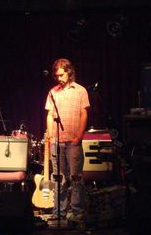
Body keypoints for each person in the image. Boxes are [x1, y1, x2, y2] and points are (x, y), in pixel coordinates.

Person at [45, 58, 90, 224]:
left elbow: (84, 114)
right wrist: (50, 136)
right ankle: (59, 211)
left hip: (73, 141)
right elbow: (50, 115)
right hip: (57, 141)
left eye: (61, 75)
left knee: (76, 177)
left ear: (69, 72)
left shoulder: (80, 91)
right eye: (56, 75)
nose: (59, 78)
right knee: (58, 177)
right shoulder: (52, 92)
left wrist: (79, 136)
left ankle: (77, 211)